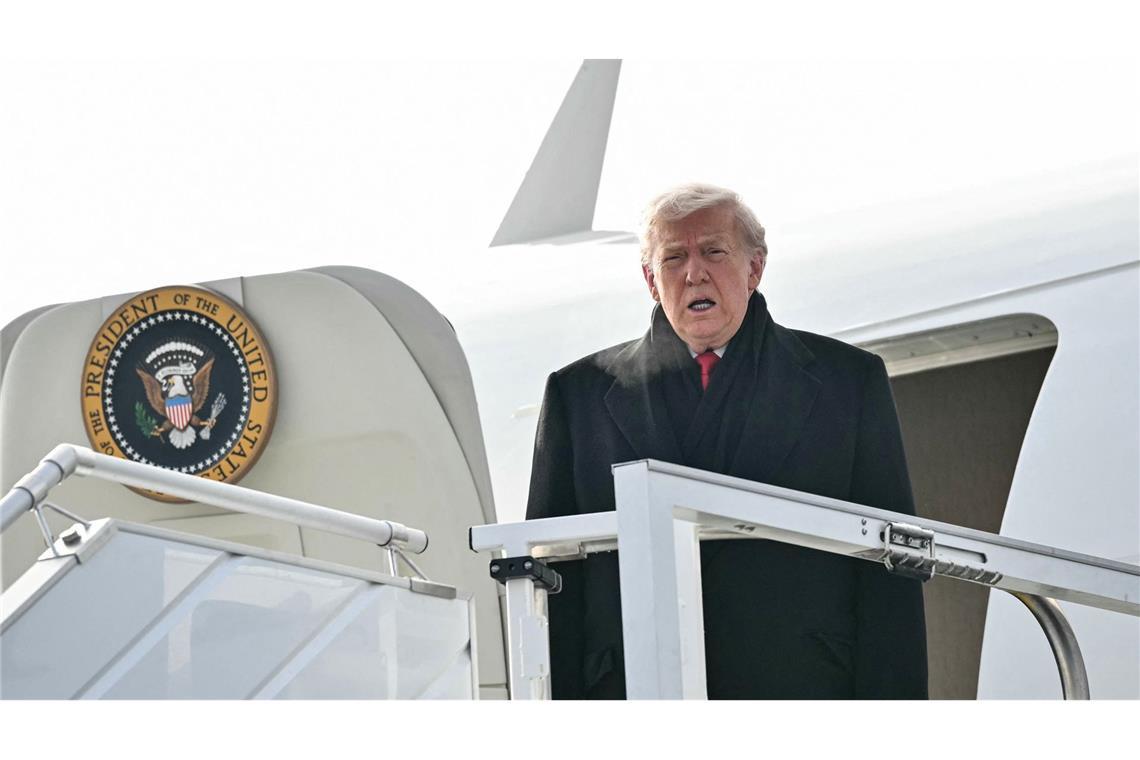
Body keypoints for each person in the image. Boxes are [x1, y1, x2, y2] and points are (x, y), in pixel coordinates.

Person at [526, 183, 928, 699]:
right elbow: (552, 575)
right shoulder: (578, 396)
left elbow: (893, 566)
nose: (694, 272)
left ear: (754, 268)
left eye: (714, 251)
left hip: (801, 692)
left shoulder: (847, 382)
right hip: (636, 697)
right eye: (674, 258)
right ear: (651, 280)